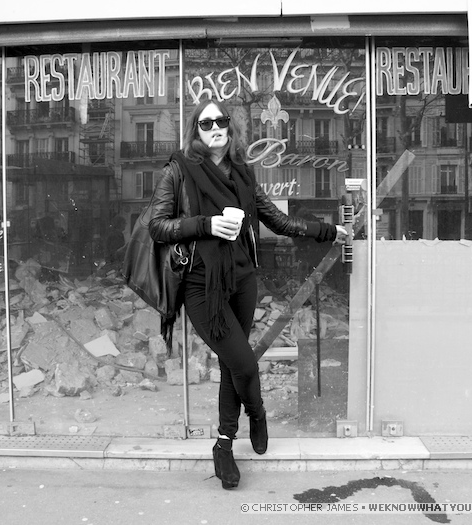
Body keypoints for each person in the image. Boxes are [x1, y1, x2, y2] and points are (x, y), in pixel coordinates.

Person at [148, 98, 346, 490]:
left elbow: (276, 220)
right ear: (195, 130)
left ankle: (224, 444)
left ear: (230, 127)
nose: (215, 128)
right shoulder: (178, 171)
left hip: (242, 281)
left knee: (231, 365)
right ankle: (257, 413)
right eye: (206, 123)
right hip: (201, 286)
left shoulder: (242, 173)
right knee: (245, 364)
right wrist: (205, 225)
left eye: (221, 121)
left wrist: (327, 231)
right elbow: (157, 225)